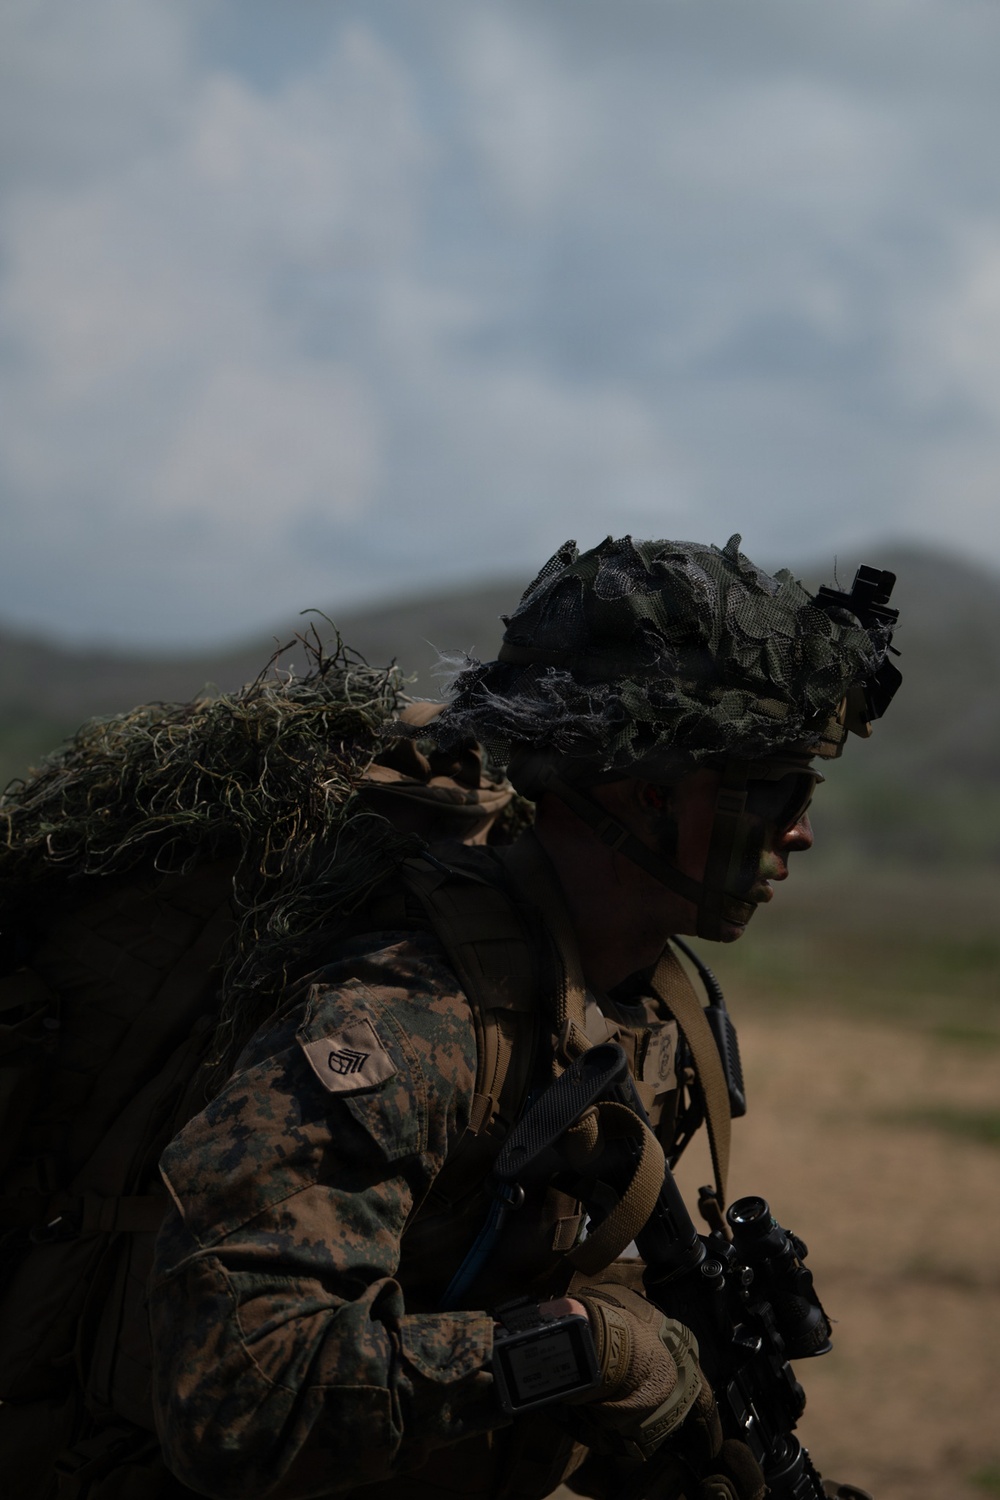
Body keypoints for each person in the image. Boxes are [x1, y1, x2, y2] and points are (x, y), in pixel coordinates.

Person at [149, 534, 899, 1500]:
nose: (800, 830)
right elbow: (235, 1397)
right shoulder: (405, 1022)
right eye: (775, 792)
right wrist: (591, 1356)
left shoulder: (655, 1012)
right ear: (646, 793)